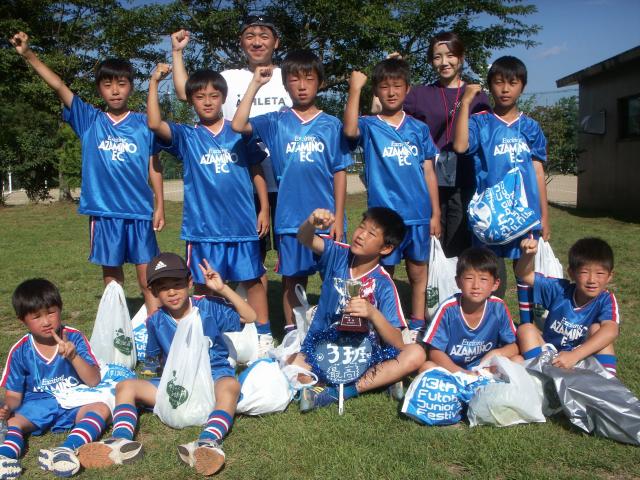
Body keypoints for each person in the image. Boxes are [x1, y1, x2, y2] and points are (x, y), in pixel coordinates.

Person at [10, 32, 164, 314]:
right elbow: (59, 85)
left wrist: (160, 205)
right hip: (105, 213)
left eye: (121, 84)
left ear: (131, 87)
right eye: (108, 85)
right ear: (99, 89)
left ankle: (157, 330)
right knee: (113, 282)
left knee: (148, 279)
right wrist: (28, 54)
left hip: (140, 212)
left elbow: (155, 166)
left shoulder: (145, 124)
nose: (115, 91)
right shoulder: (90, 119)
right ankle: (116, 332)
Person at [77, 253, 256, 476]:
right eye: (163, 287)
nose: (171, 292)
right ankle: (121, 441)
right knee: (126, 386)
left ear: (189, 283)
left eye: (177, 284)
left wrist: (222, 288)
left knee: (230, 385)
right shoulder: (156, 321)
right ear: (153, 292)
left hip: (212, 376)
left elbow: (250, 316)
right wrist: (150, 379)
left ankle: (208, 441)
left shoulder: (208, 306)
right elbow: (154, 362)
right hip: (175, 382)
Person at [171, 14, 292, 342]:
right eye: (250, 35)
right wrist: (178, 53)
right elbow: (185, 92)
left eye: (264, 35)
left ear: (276, 42)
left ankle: (291, 327)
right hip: (240, 184)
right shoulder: (230, 78)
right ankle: (247, 329)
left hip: (286, 183)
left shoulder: (289, 76)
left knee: (290, 262)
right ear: (241, 42)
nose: (257, 41)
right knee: (255, 260)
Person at [147, 63, 269, 345]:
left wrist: (263, 208)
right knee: (204, 286)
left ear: (223, 98)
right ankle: (211, 338)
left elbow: (257, 169)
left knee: (253, 280)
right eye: (200, 97)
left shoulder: (239, 131)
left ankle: (264, 336)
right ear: (191, 101)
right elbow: (154, 123)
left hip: (242, 226)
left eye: (214, 96)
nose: (208, 102)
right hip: (203, 229)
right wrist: (154, 83)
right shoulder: (187, 136)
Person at [231, 50, 351, 330]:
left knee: (336, 278)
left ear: (320, 83)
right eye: (294, 79)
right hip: (290, 219)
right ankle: (292, 333)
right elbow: (237, 124)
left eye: (309, 78)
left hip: (328, 219)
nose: (302, 85)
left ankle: (336, 328)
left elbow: (340, 172)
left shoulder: (332, 124)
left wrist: (339, 217)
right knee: (293, 279)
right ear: (285, 85)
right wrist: (255, 84)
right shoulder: (275, 121)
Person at [288, 207, 429, 411]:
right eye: (361, 227)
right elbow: (304, 237)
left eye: (371, 233)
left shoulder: (384, 284)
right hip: (325, 349)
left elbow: (398, 342)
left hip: (364, 357)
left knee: (416, 353)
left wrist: (372, 313)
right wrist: (311, 222)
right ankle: (384, 380)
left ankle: (341, 392)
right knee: (292, 366)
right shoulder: (338, 254)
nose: (361, 235)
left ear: (386, 248)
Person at [343, 58, 440, 334]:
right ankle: (385, 323)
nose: (391, 92)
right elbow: (349, 130)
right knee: (384, 273)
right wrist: (355, 89)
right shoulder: (369, 125)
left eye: (397, 86)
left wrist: (435, 213)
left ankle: (417, 325)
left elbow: (429, 172)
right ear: (376, 91)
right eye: (384, 87)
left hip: (417, 215)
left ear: (407, 88)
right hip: (384, 218)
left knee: (418, 271)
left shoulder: (418, 128)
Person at [453, 55, 549, 318]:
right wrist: (465, 103)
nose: (505, 89)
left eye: (513, 83)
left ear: (522, 86)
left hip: (525, 216)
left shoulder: (530, 127)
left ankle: (526, 325)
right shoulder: (480, 122)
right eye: (498, 82)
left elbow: (538, 172)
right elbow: (460, 146)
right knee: (487, 272)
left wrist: (544, 216)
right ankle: (490, 323)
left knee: (525, 273)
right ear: (490, 85)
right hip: (490, 218)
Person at [0, 279, 110, 478]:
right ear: (22, 320)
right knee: (14, 421)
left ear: (60, 308)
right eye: (36, 316)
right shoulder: (20, 351)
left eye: (51, 312)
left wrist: (74, 357)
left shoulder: (74, 337)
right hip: (38, 405)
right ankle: (5, 456)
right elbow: (14, 394)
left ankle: (65, 450)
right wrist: (7, 406)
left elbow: (93, 381)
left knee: (101, 408)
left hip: (73, 401)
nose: (46, 321)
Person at [403, 32, 491, 260]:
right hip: (429, 176)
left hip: (466, 178)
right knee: (432, 237)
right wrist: (393, 68)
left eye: (450, 55)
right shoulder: (419, 94)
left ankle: (458, 281)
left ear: (461, 57)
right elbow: (382, 110)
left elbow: (485, 137)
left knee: (459, 239)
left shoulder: (477, 95)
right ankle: (433, 280)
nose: (444, 62)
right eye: (437, 57)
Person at [514, 237, 620, 375]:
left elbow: (611, 330)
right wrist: (528, 255)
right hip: (549, 356)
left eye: (600, 273)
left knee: (598, 329)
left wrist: (575, 355)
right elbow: (524, 274)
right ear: (571, 273)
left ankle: (606, 382)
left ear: (610, 276)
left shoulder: (605, 300)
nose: (592, 280)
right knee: (525, 329)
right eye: (584, 272)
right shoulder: (560, 289)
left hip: (583, 358)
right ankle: (542, 378)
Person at [418, 247, 518, 373]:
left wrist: (495, 354)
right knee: (427, 368)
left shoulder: (498, 308)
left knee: (517, 360)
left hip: (486, 370)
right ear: (458, 282)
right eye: (469, 278)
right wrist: (462, 373)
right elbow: (435, 352)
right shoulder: (448, 309)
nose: (476, 286)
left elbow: (514, 346)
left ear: (495, 284)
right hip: (454, 371)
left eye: (483, 279)